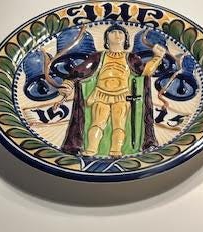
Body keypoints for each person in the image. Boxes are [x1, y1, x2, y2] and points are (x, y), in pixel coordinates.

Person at [58, 24, 166, 157]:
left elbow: (146, 71)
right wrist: (68, 82)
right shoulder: (98, 56)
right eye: (113, 32)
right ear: (106, 38)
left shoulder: (131, 58)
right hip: (100, 94)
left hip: (122, 95)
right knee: (97, 124)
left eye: (120, 33)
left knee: (119, 125)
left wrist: (157, 57)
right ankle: (90, 150)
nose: (117, 35)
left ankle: (116, 151)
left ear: (126, 38)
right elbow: (81, 70)